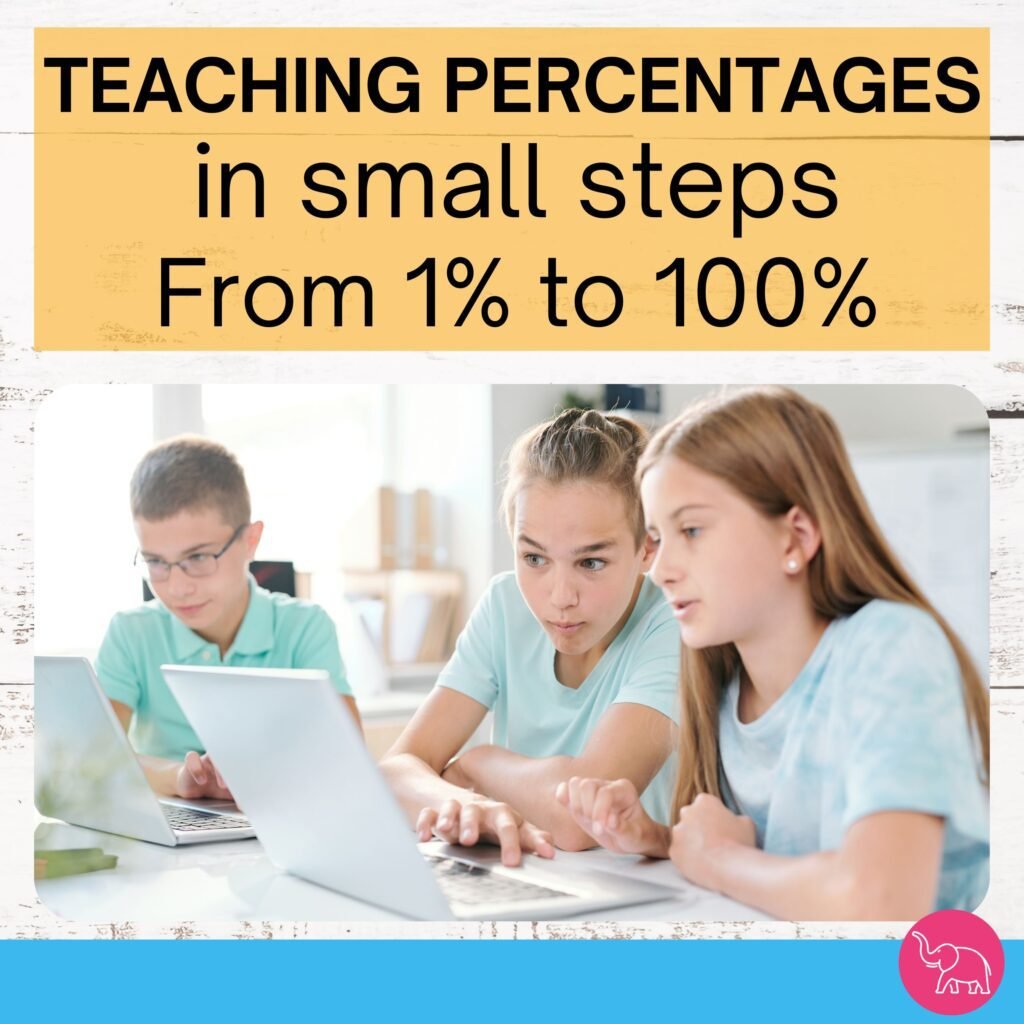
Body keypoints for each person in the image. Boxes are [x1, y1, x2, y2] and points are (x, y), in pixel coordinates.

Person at [557, 387, 989, 919]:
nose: (661, 569)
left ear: (795, 538)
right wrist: (661, 839)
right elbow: (779, 865)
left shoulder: (893, 647)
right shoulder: (722, 683)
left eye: (691, 529)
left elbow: (883, 900)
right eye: (656, 538)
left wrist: (715, 858)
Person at [380, 408, 680, 866]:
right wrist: (462, 805)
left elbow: (582, 820)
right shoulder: (505, 605)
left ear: (647, 548)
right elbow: (397, 769)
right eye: (534, 558)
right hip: (526, 876)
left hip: (639, 898)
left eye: (591, 563)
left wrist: (479, 764)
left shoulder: (672, 621)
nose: (560, 597)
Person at [96, 435, 360, 801]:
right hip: (170, 818)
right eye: (156, 562)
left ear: (251, 541)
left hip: (282, 819)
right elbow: (92, 760)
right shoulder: (130, 633)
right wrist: (181, 779)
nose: (177, 587)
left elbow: (347, 759)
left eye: (200, 557)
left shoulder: (305, 628)